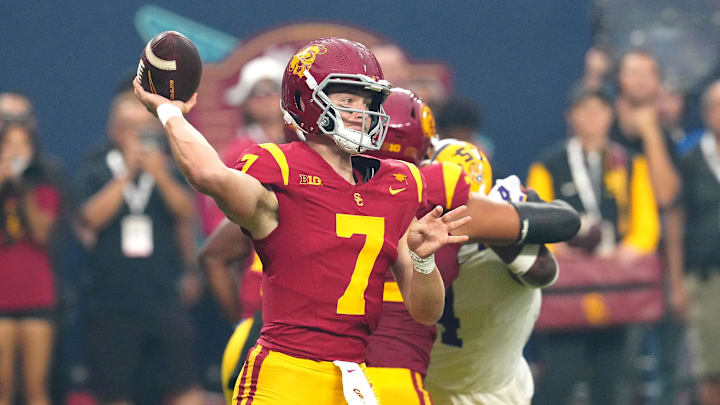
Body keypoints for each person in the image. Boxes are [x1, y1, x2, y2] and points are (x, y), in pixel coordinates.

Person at [134, 37, 474, 405]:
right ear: (306, 101)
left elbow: (426, 312)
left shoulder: (398, 183)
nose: (362, 112)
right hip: (285, 374)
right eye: (347, 101)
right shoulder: (281, 168)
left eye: (368, 101)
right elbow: (209, 175)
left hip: (355, 377)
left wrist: (423, 261)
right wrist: (169, 113)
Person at [363, 89, 579, 404]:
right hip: (460, 382)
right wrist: (505, 221)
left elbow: (547, 261)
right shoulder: (464, 211)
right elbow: (548, 260)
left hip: (419, 377)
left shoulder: (370, 204)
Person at [526, 86, 661, 405]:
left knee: (614, 379)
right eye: (584, 111)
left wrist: (629, 250)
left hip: (616, 285)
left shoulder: (628, 162)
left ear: (611, 116)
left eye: (599, 111)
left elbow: (646, 223)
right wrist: (560, 250)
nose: (592, 118)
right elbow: (533, 216)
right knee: (561, 375)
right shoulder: (549, 163)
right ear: (570, 116)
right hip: (567, 287)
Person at [77, 79, 202, 405]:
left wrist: (158, 175)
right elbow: (90, 217)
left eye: (146, 128)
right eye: (130, 128)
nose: (139, 137)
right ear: (114, 130)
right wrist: (127, 176)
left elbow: (184, 212)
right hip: (111, 297)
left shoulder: (169, 163)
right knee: (115, 390)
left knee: (184, 382)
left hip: (162, 291)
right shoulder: (96, 164)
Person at [423, 144, 558, 405]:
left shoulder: (410, 231)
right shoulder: (504, 246)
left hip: (426, 384)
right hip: (495, 391)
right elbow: (544, 270)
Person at [0, 120, 62, 405]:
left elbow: (40, 233)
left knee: (36, 389)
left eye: (22, 144)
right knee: (3, 389)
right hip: (2, 295)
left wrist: (22, 189)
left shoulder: (44, 189)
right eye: (8, 144)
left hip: (37, 294)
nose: (15, 152)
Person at [667, 79, 720, 405]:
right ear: (705, 114)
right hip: (705, 278)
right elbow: (674, 225)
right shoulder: (689, 160)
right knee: (711, 371)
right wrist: (677, 284)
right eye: (716, 106)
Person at [612, 50, 680, 209]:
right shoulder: (602, 123)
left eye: (649, 73)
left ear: (659, 82)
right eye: (634, 73)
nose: (641, 80)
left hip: (649, 228)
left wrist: (650, 132)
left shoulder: (667, 136)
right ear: (619, 78)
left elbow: (665, 197)